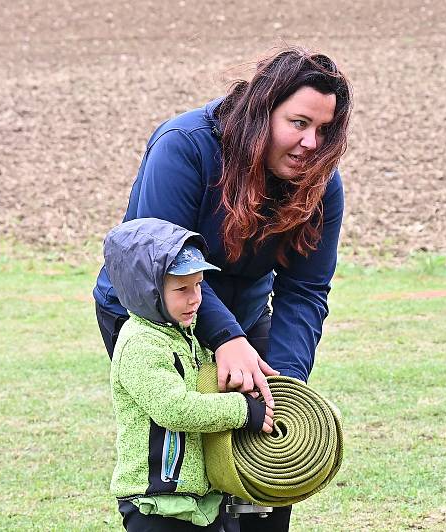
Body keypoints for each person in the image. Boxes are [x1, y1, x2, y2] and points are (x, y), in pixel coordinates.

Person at [93, 46, 352, 531]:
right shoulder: (185, 145)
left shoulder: (320, 183)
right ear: (262, 109)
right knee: (185, 458)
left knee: (261, 451)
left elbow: (306, 290)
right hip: (156, 314)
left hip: (244, 311)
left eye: (323, 129)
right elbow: (166, 264)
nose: (311, 143)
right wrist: (226, 340)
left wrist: (285, 387)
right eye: (297, 122)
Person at [104, 218, 273, 531]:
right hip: (155, 504)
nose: (195, 297)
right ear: (146, 291)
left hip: (198, 502)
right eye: (182, 288)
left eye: (198, 285)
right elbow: (175, 409)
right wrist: (242, 410)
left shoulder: (188, 334)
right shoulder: (140, 343)